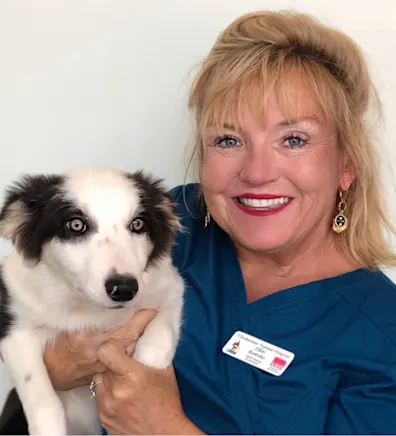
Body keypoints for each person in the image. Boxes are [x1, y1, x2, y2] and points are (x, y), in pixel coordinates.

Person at [42, 9, 396, 435]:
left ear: (346, 165)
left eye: (294, 140)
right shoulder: (166, 226)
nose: (258, 172)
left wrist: (163, 427)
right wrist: (56, 366)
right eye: (229, 140)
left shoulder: (381, 333)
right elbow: (26, 308)